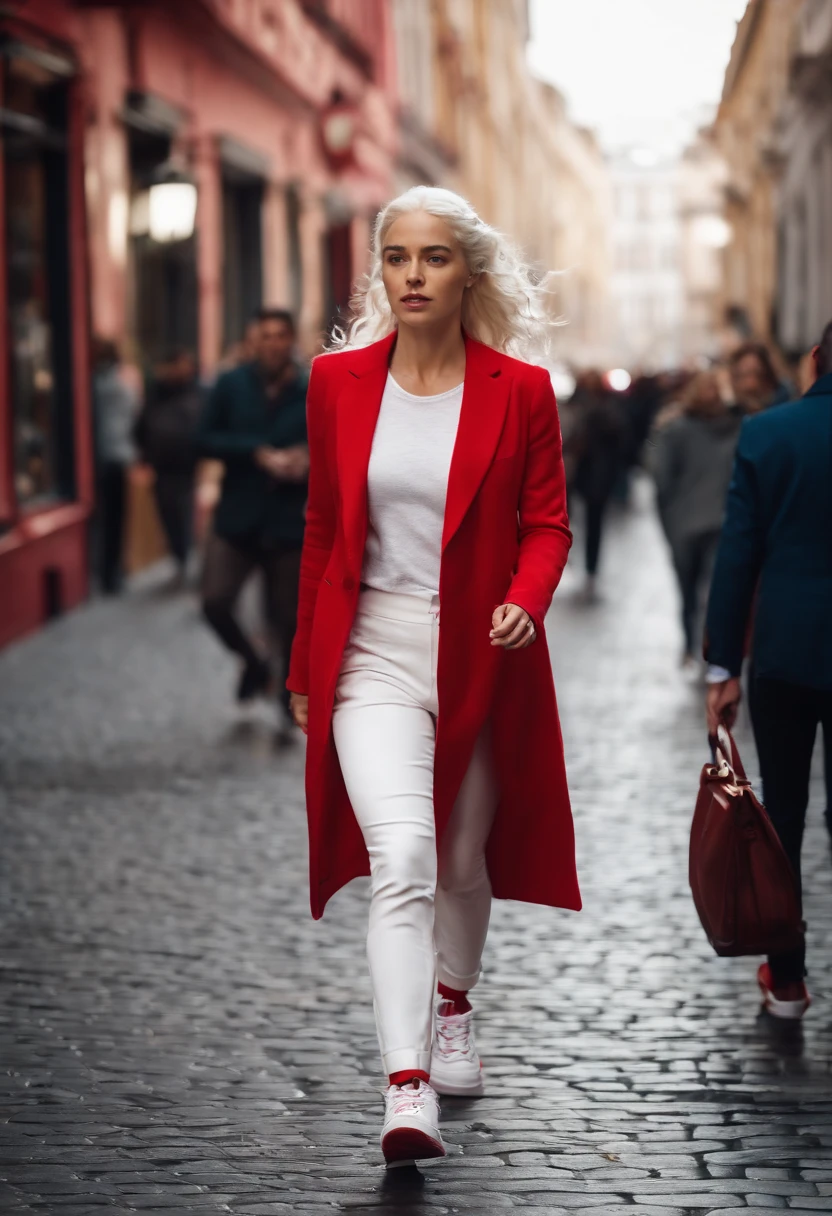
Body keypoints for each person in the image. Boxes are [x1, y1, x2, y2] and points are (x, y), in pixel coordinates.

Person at [286, 186, 580, 1166]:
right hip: (370, 650)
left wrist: (526, 598)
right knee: (402, 856)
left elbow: (547, 523)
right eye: (397, 257)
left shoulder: (519, 389)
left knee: (461, 860)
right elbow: (322, 529)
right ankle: (406, 1079)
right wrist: (304, 668)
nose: (412, 275)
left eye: (434, 258)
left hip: (478, 656)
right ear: (381, 270)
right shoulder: (335, 382)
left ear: (470, 274)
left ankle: (453, 1002)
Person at [705, 318, 832, 1021]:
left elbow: (737, 557)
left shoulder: (769, 435)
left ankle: (787, 978)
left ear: (815, 360)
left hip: (784, 649)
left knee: (781, 811)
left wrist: (723, 664)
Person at [197, 308, 308, 725]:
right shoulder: (230, 384)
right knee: (215, 601)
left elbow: (335, 441)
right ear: (252, 341)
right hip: (237, 518)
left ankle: (285, 696)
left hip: (289, 519)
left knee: (287, 619)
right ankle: (253, 663)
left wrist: (308, 460)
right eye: (265, 336)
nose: (273, 343)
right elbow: (203, 439)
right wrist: (254, 451)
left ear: (291, 339)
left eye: (281, 335)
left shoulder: (310, 385)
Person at [650, 371, 742, 668]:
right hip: (719, 520)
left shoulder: (675, 428)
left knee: (691, 590)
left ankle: (694, 646)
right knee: (708, 590)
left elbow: (661, 477)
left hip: (688, 523)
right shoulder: (739, 426)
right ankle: (705, 648)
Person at [134, 349, 202, 583]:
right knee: (167, 512)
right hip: (162, 466)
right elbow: (141, 426)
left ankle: (185, 557)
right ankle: (179, 556)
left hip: (186, 465)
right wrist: (145, 455)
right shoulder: (157, 393)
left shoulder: (196, 392)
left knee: (182, 511)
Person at [563, 370, 628, 599]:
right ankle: (571, 562)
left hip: (593, 473)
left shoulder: (606, 409)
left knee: (591, 523)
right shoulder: (580, 405)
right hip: (578, 471)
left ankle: (588, 568)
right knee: (570, 520)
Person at [91, 337, 139, 594]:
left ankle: (106, 572)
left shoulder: (96, 383)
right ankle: (114, 572)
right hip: (120, 455)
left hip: (103, 456)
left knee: (107, 518)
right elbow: (134, 412)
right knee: (116, 518)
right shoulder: (124, 382)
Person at [728, 342, 791, 414]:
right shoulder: (733, 412)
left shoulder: (784, 398)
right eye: (742, 375)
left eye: (754, 373)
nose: (749, 383)